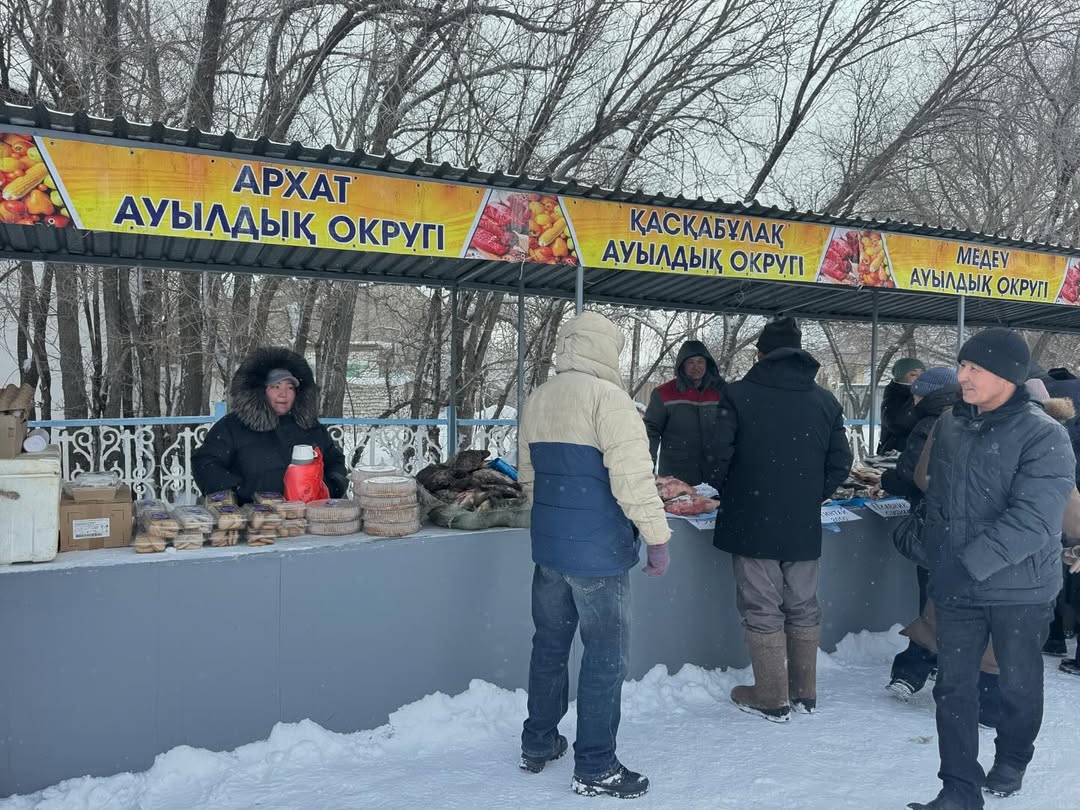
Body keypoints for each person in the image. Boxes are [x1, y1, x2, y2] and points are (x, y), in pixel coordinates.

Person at [908, 329, 1074, 810]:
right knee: (953, 689)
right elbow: (937, 496)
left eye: (974, 368)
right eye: (962, 366)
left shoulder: (1045, 435)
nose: (962, 376)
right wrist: (926, 542)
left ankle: (1013, 758)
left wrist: (968, 565)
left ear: (1008, 375)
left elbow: (1034, 521)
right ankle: (958, 790)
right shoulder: (951, 425)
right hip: (958, 587)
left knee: (1018, 687)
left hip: (1021, 590)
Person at [517, 311, 671, 800]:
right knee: (605, 656)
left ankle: (539, 742)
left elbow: (527, 478)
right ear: (607, 349)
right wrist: (657, 537)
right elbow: (632, 482)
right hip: (600, 555)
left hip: (550, 550)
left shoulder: (538, 399)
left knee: (549, 646)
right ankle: (596, 766)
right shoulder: (612, 401)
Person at [705, 316, 852, 721]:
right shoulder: (825, 401)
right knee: (803, 603)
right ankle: (804, 691)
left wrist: (729, 489)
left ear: (760, 353)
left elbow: (718, 456)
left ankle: (771, 696)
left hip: (751, 517)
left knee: (761, 604)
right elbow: (842, 461)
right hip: (801, 521)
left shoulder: (736, 395)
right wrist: (810, 494)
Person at [881, 367, 959, 699]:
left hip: (936, 524)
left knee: (933, 597)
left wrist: (885, 481)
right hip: (969, 525)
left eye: (917, 391)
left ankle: (913, 670)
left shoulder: (930, 423)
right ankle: (950, 668)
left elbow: (914, 475)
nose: (912, 397)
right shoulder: (974, 419)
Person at [192, 346, 348, 504]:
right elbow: (206, 464)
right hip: (254, 521)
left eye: (290, 387)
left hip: (306, 521)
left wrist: (329, 488)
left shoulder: (310, 427)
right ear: (261, 391)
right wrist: (238, 494)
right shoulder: (232, 426)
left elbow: (335, 463)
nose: (283, 394)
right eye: (276, 386)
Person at [643, 340, 724, 483]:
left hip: (714, 474)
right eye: (690, 362)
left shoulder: (721, 392)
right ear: (682, 365)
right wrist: (646, 469)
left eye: (700, 362)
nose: (696, 367)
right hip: (676, 477)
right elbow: (651, 432)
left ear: (707, 364)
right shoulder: (664, 393)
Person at [877, 357, 926, 453]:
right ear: (901, 377)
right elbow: (897, 424)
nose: (919, 378)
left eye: (922, 374)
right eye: (913, 374)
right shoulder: (893, 398)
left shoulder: (922, 394)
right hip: (895, 455)